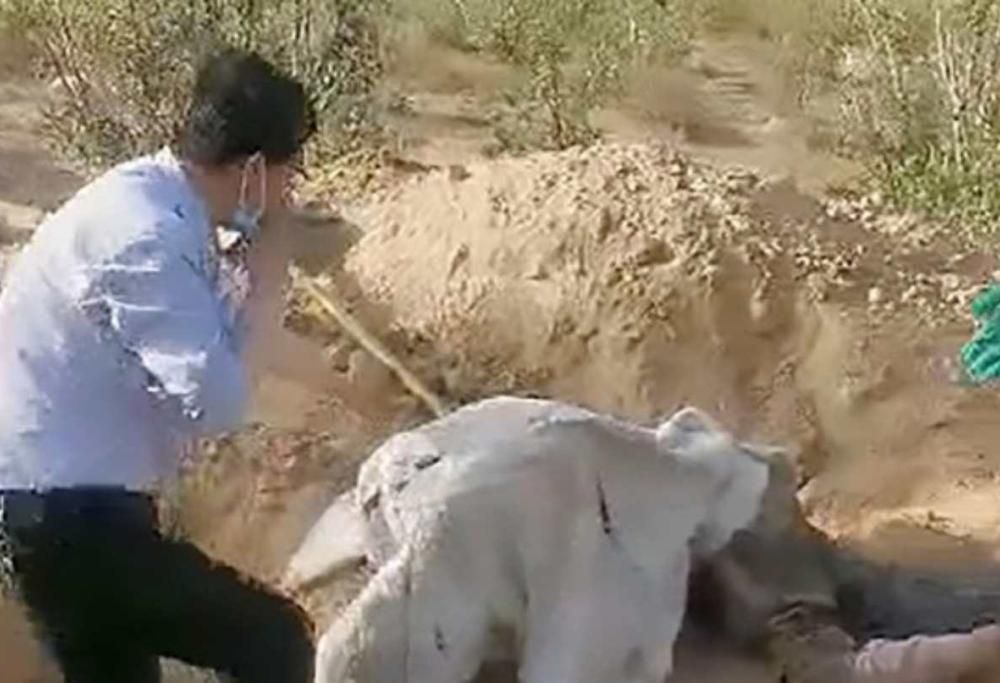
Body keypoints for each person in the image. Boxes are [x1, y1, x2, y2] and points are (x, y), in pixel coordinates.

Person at [0, 47, 332, 683]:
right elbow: (217, 403)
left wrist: (346, 385)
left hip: (66, 519)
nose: (288, 195)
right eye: (291, 174)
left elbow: (224, 346)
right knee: (276, 640)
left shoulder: (151, 206)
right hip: (74, 523)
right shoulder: (148, 236)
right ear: (254, 168)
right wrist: (268, 283)